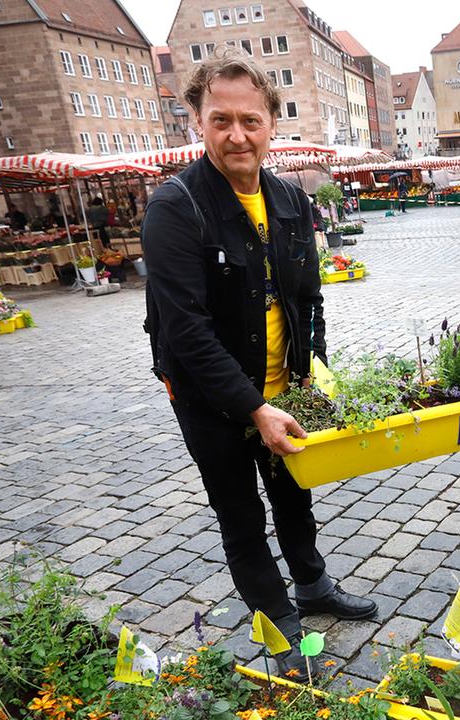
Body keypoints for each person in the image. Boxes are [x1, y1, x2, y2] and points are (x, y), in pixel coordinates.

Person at [142, 50, 375, 679]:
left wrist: (311, 372)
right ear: (196, 120)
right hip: (212, 402)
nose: (237, 135)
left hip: (283, 387)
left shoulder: (288, 199)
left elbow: (308, 297)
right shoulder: (176, 207)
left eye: (251, 120)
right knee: (241, 515)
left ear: (272, 122)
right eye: (221, 120)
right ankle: (279, 629)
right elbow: (185, 330)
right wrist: (253, 407)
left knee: (295, 497)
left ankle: (313, 586)